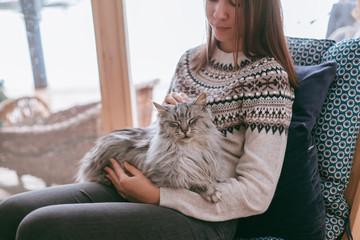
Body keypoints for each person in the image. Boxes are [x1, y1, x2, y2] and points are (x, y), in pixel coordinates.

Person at [0, 0, 299, 239]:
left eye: (236, 4)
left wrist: (157, 196)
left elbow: (257, 193)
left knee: (41, 227)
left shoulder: (267, 79)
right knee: (11, 210)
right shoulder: (189, 61)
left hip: (205, 214)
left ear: (259, 8)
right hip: (152, 180)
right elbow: (159, 140)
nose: (218, 13)